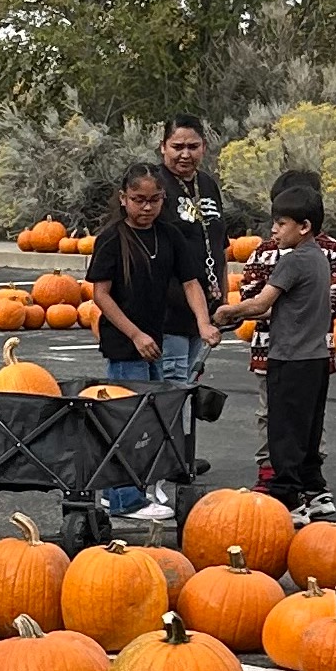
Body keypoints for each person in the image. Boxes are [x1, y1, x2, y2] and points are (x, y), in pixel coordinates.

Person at [85, 162, 213, 516]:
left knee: (154, 419)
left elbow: (191, 283)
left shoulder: (169, 235)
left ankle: (132, 489)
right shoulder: (112, 238)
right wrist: (134, 333)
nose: (147, 208)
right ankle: (124, 498)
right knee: (129, 419)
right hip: (125, 345)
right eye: (139, 200)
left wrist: (203, 323)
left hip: (154, 342)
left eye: (154, 199)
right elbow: (101, 294)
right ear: (123, 199)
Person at [218, 175, 336, 518]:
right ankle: (314, 489)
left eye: (281, 223)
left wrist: (228, 312)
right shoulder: (319, 258)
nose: (274, 230)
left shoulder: (293, 260)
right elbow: (283, 306)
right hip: (316, 358)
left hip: (290, 357)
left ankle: (289, 497)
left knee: (284, 430)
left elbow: (260, 304)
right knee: (309, 428)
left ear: (304, 226)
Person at [158, 117, 229, 346]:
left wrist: (224, 299)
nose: (185, 155)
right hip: (169, 310)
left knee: (191, 378)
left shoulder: (208, 184)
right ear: (163, 147)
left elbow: (220, 247)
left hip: (208, 308)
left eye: (193, 147)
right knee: (174, 377)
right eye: (177, 147)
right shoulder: (156, 185)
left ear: (204, 147)